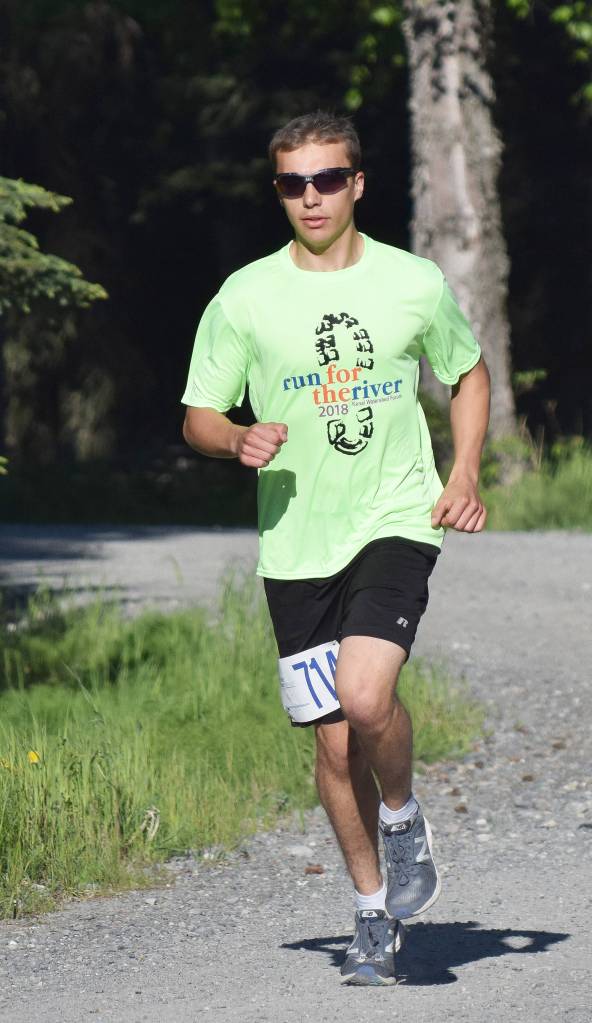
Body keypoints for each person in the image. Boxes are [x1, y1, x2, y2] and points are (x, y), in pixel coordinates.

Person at [181, 111, 490, 987]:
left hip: (395, 515)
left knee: (365, 696)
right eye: (292, 183)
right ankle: (370, 914)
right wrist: (232, 437)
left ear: (358, 183)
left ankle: (402, 814)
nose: (310, 197)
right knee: (329, 748)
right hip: (294, 543)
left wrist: (462, 471)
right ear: (277, 189)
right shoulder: (244, 296)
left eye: (326, 179)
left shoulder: (413, 282)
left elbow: (466, 371)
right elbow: (199, 412)